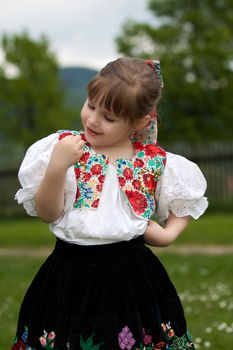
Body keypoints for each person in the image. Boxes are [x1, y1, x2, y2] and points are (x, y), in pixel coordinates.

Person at [12, 57, 208, 350]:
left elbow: (184, 200)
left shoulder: (153, 161)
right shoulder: (63, 148)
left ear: (138, 122)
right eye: (91, 106)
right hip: (68, 276)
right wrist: (56, 167)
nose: (93, 120)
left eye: (109, 117)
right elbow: (47, 213)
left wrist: (167, 235)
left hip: (132, 280)